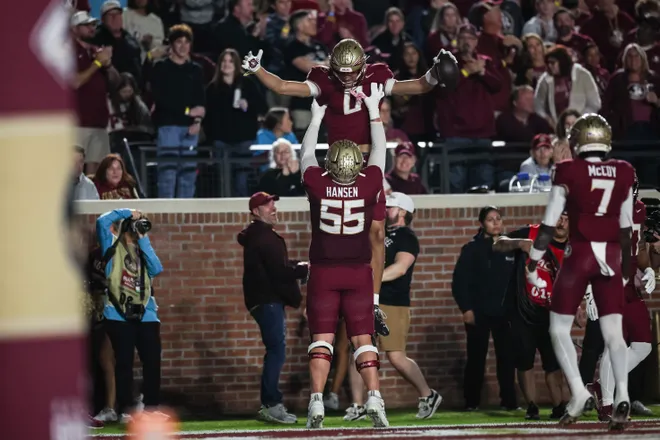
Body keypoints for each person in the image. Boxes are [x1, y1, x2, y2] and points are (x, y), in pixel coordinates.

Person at [525, 113, 635, 429]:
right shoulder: (624, 171)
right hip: (613, 254)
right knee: (614, 333)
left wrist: (533, 261)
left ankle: (577, 391)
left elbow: (548, 225)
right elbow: (626, 229)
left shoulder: (569, 170)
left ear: (577, 142)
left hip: (582, 252)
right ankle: (623, 394)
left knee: (559, 328)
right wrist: (625, 271)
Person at [299, 83, 389, 429]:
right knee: (363, 340)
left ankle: (317, 403)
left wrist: (317, 117)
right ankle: (375, 399)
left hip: (324, 271)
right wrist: (372, 109)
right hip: (358, 272)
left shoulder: (318, 184)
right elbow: (379, 149)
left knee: (321, 340)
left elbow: (306, 154)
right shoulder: (369, 183)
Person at [242, 38, 458, 148]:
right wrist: (258, 70)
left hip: (369, 154)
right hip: (336, 157)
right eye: (341, 73)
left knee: (375, 226)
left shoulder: (377, 76)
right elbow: (283, 87)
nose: (346, 78)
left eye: (351, 72)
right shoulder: (323, 79)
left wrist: (434, 73)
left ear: (363, 66)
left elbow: (420, 86)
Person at [584, 176, 656, 421]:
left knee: (643, 346)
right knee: (614, 344)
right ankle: (606, 403)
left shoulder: (639, 209)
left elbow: (640, 248)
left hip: (629, 286)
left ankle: (600, 385)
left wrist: (649, 271)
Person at [237, 192, 309, 424]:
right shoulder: (264, 237)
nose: (273, 208)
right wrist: (303, 270)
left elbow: (277, 265)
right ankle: (271, 404)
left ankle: (270, 403)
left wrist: (298, 265)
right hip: (268, 300)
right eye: (268, 205)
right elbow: (279, 272)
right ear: (256, 212)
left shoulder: (259, 235)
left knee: (275, 351)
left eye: (273, 204)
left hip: (264, 300)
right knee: (276, 352)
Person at [493, 213, 571, 420]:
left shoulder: (576, 248)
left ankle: (559, 406)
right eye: (559, 217)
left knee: (553, 362)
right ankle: (532, 406)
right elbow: (498, 243)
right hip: (522, 310)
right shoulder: (533, 232)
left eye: (567, 218)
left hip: (552, 313)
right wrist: (520, 243)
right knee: (524, 361)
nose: (562, 222)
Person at [96, 208, 163, 423]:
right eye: (134, 225)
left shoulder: (143, 249)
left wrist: (143, 239)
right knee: (124, 362)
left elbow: (157, 268)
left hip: (146, 314)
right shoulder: (112, 246)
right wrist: (128, 212)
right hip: (117, 313)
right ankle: (126, 409)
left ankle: (151, 408)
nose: (137, 228)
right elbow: (101, 221)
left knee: (152, 361)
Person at [379, 192, 442, 418]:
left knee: (396, 356)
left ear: (403, 211)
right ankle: (363, 403)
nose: (385, 210)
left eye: (390, 207)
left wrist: (370, 280)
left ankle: (427, 394)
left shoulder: (407, 237)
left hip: (393, 302)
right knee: (362, 351)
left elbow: (400, 268)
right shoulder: (380, 232)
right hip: (372, 299)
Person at [452, 206, 518, 411]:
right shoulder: (472, 248)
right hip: (479, 311)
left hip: (504, 312)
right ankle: (471, 402)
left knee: (507, 358)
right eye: (490, 219)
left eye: (499, 218)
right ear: (482, 223)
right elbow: (459, 282)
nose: (496, 222)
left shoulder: (511, 246)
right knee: (476, 358)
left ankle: (509, 401)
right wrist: (466, 309)